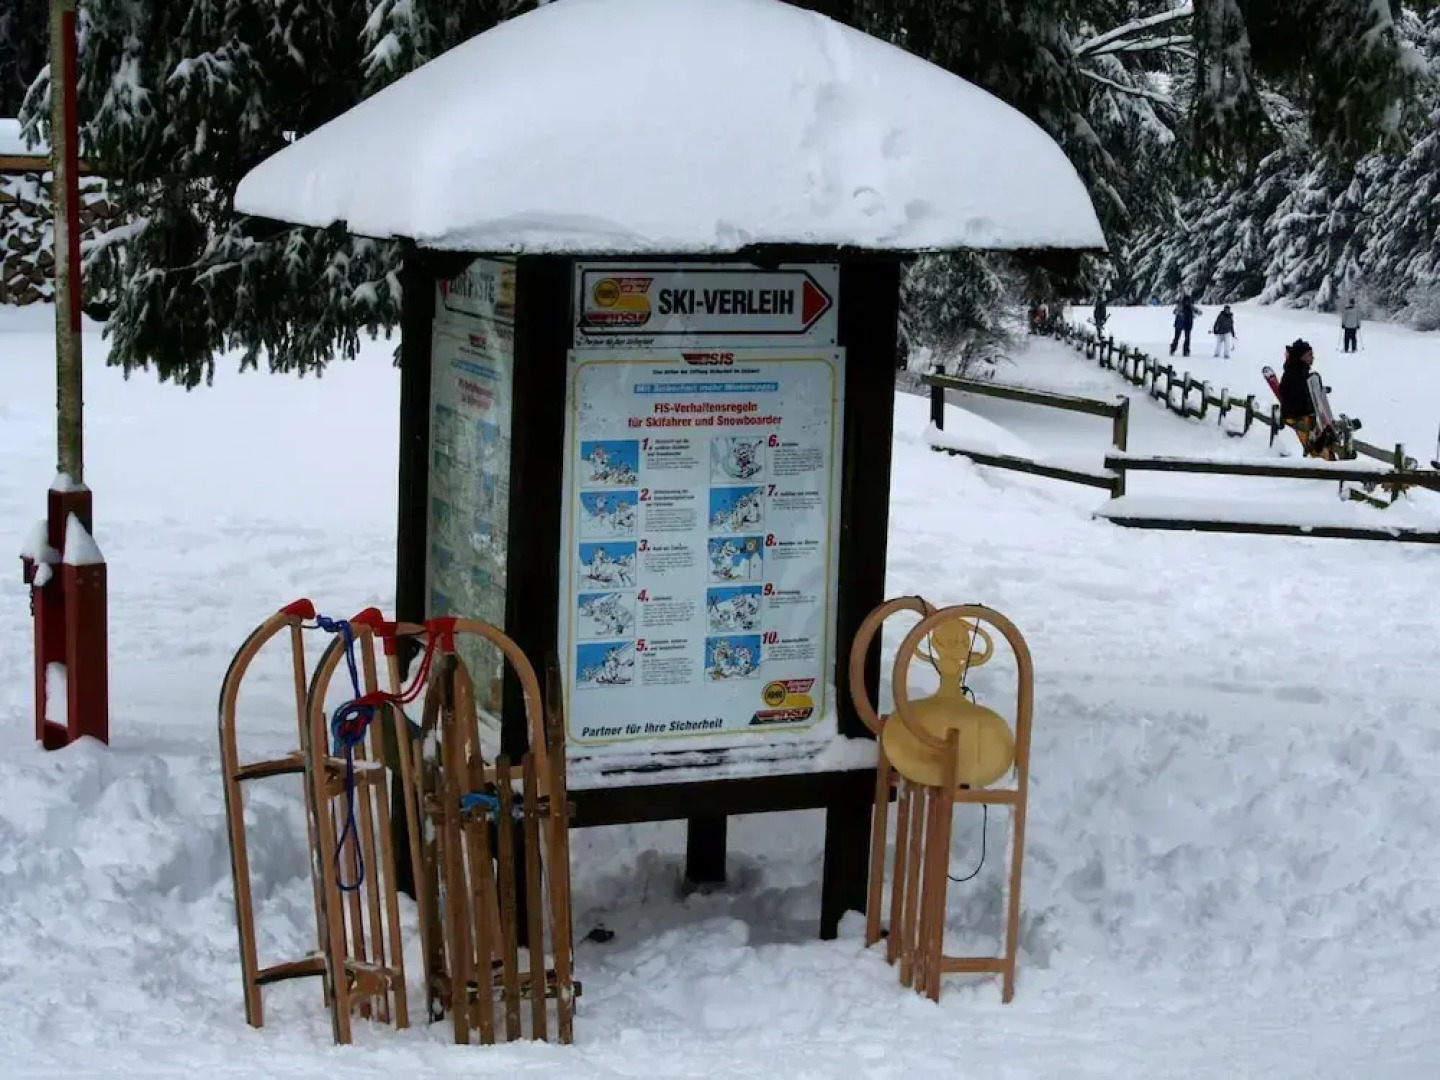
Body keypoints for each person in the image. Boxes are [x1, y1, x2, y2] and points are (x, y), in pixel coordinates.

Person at [1277, 339, 1337, 458]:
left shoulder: (1302, 371)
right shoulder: (1294, 373)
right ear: (1301, 356)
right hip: (1297, 418)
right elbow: (1293, 395)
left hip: (1308, 415)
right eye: (1309, 355)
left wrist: (1320, 391)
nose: (1313, 357)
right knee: (1315, 449)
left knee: (1324, 439)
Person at [1170, 292, 1200, 357]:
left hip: (1188, 324)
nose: (1187, 302)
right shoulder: (1180, 306)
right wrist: (1179, 313)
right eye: (1186, 301)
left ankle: (1186, 351)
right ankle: (1173, 349)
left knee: (1187, 338)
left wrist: (1198, 312)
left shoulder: (1190, 306)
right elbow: (1175, 311)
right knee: (1177, 338)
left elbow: (1197, 311)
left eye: (1188, 301)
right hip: (1179, 324)